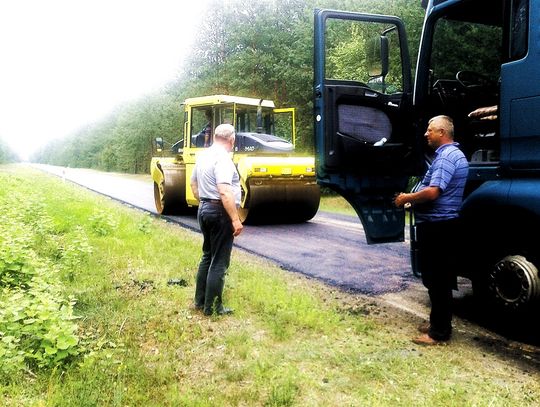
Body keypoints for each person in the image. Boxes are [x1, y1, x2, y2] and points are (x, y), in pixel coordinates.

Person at [394, 115, 469, 345]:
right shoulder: (454, 155)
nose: (426, 134)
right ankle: (438, 323)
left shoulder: (446, 157)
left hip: (438, 227)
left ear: (442, 133)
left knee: (437, 280)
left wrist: (407, 197)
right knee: (438, 278)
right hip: (443, 225)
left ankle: (438, 333)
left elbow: (433, 191)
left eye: (430, 130)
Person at [190, 123, 244, 316]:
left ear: (214, 137)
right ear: (232, 140)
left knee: (207, 255)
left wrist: (204, 203)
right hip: (219, 212)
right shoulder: (223, 159)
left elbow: (193, 183)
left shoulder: (204, 156)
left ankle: (200, 301)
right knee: (219, 261)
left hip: (204, 208)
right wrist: (235, 219)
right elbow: (224, 190)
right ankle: (212, 308)